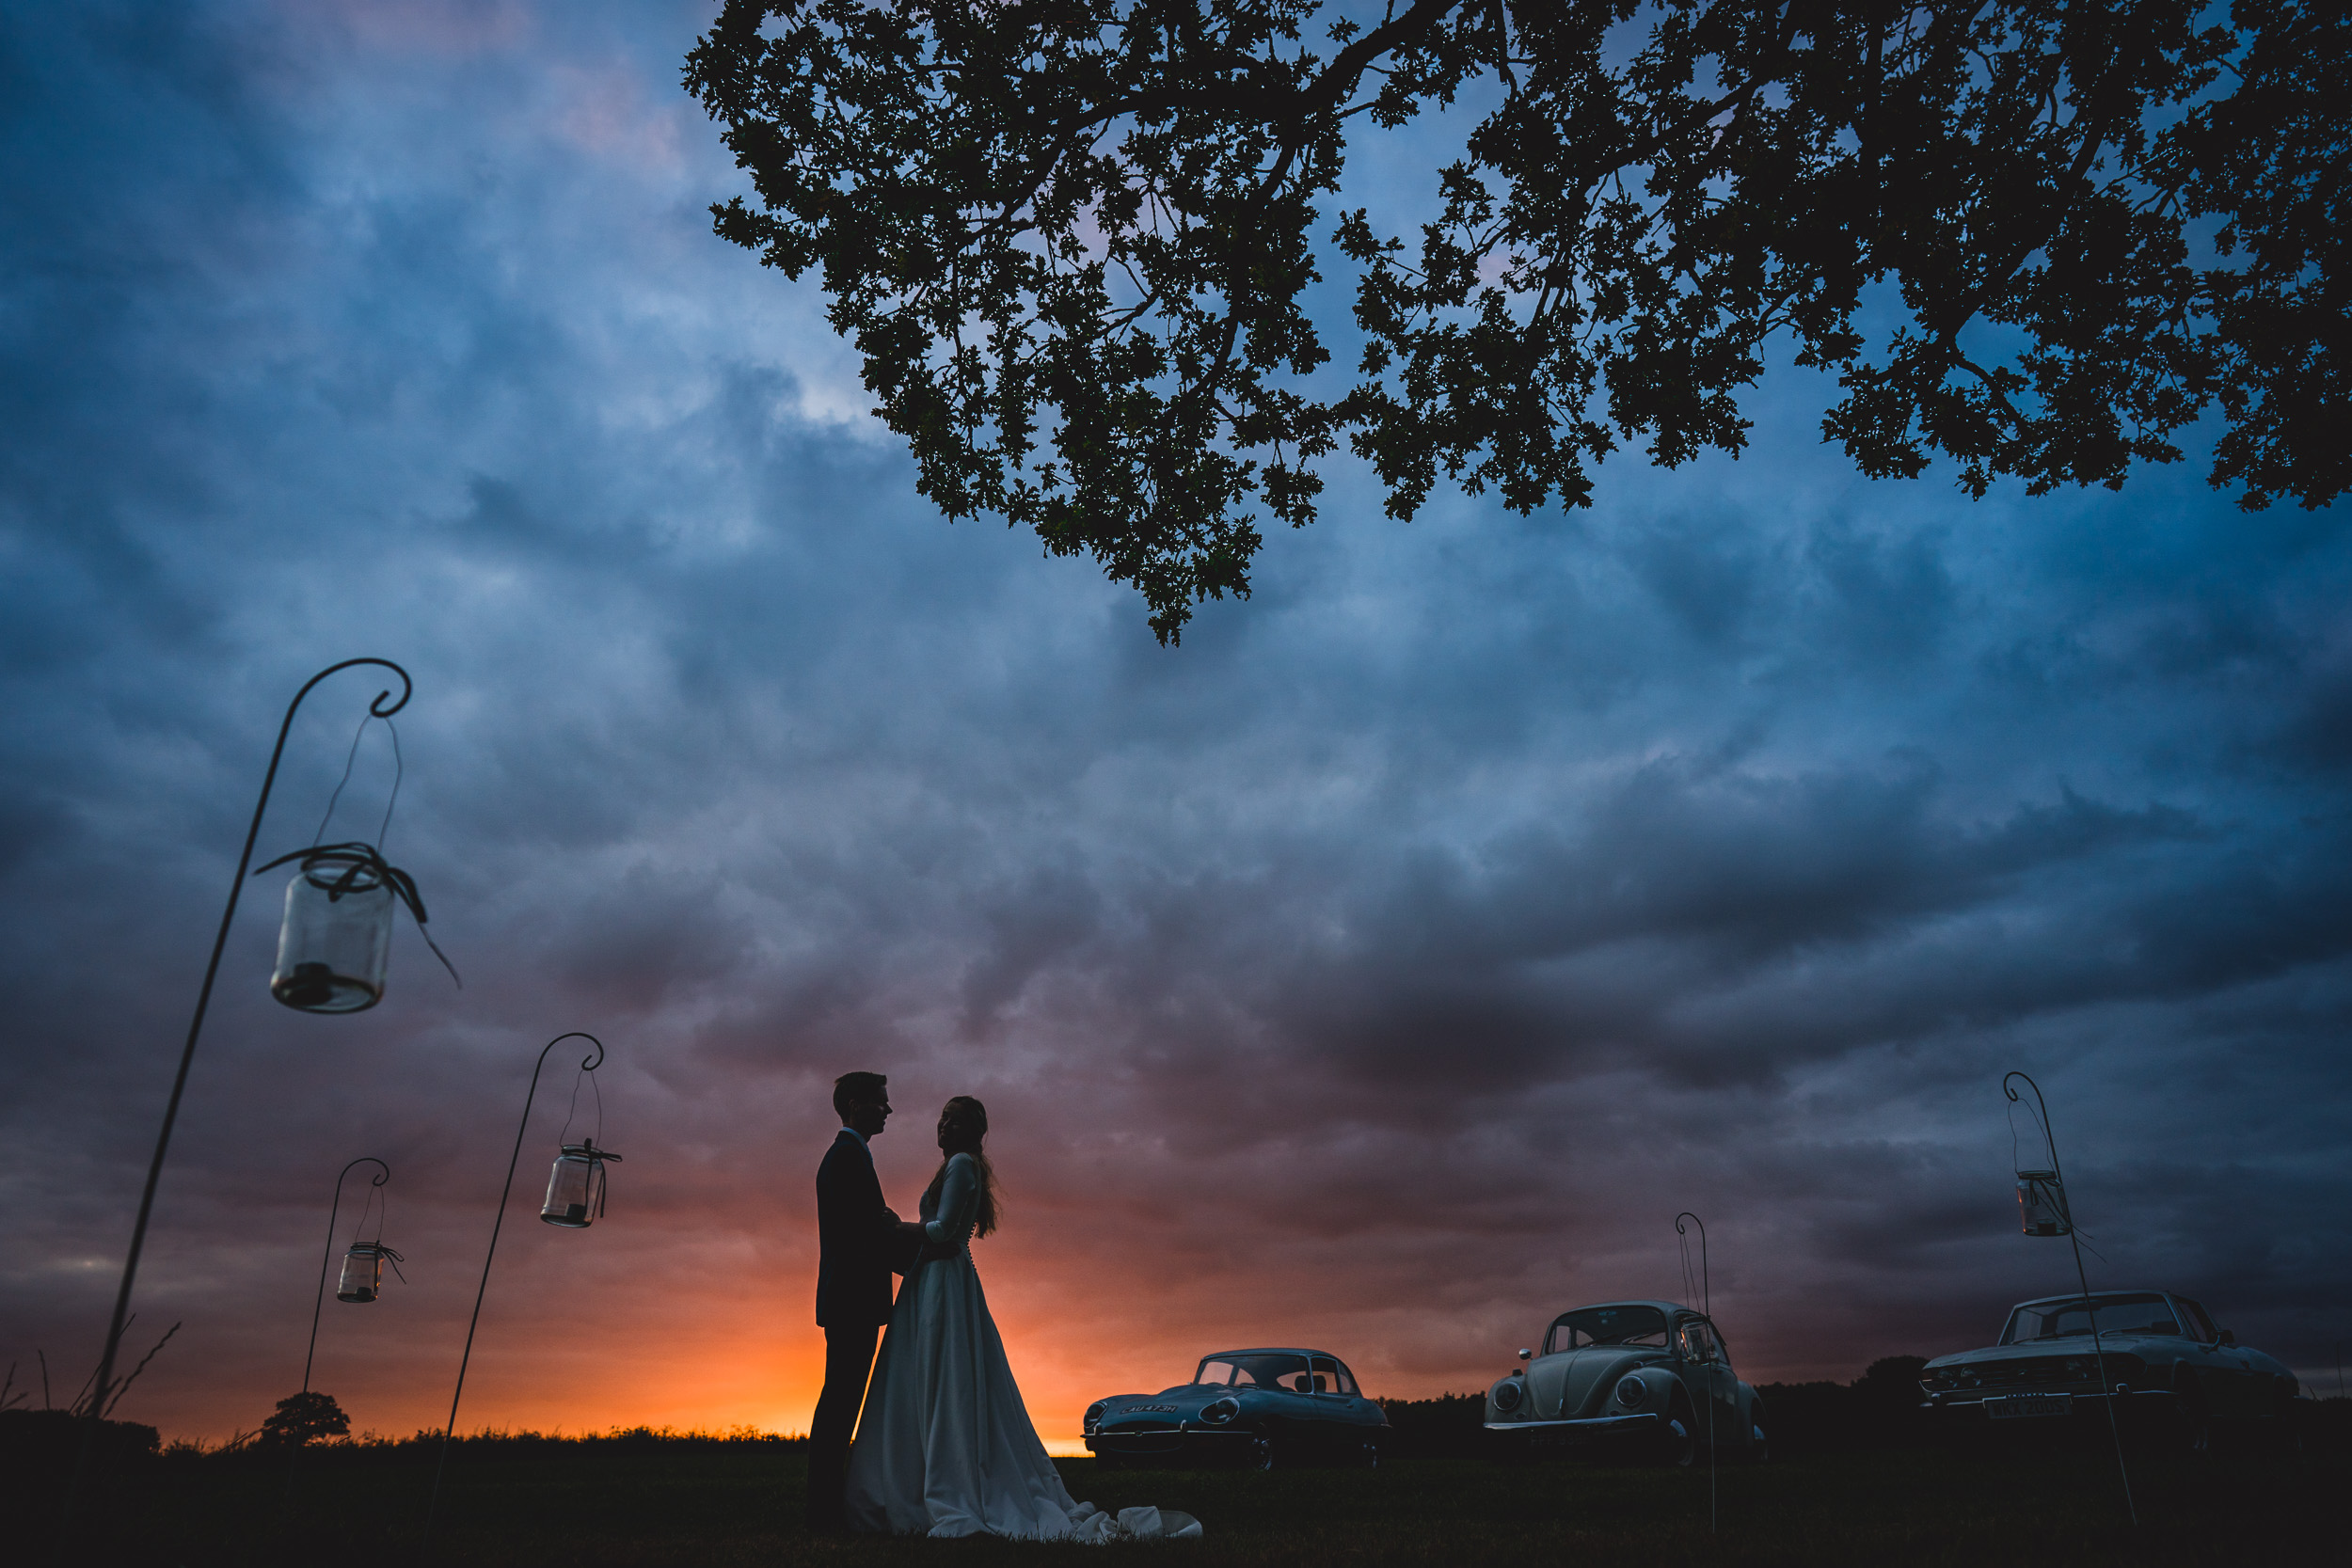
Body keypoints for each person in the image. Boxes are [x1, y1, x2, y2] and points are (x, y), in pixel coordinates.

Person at [845, 1096, 1200, 1541]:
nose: (941, 1126)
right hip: (934, 1279)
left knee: (942, 1375)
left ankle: (945, 1483)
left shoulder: (961, 1165)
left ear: (970, 1130)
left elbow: (941, 1232)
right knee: (934, 1377)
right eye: (941, 1119)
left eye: (951, 1121)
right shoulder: (956, 1166)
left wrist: (894, 1227)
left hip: (943, 1283)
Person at [807, 1070, 913, 1531]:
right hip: (853, 1300)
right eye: (880, 1102)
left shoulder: (850, 1156)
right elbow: (864, 1233)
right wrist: (921, 1259)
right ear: (854, 1104)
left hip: (850, 1299)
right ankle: (824, 1510)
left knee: (842, 1401)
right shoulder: (848, 1158)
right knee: (840, 1404)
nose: (888, 1110)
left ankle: (827, 1505)